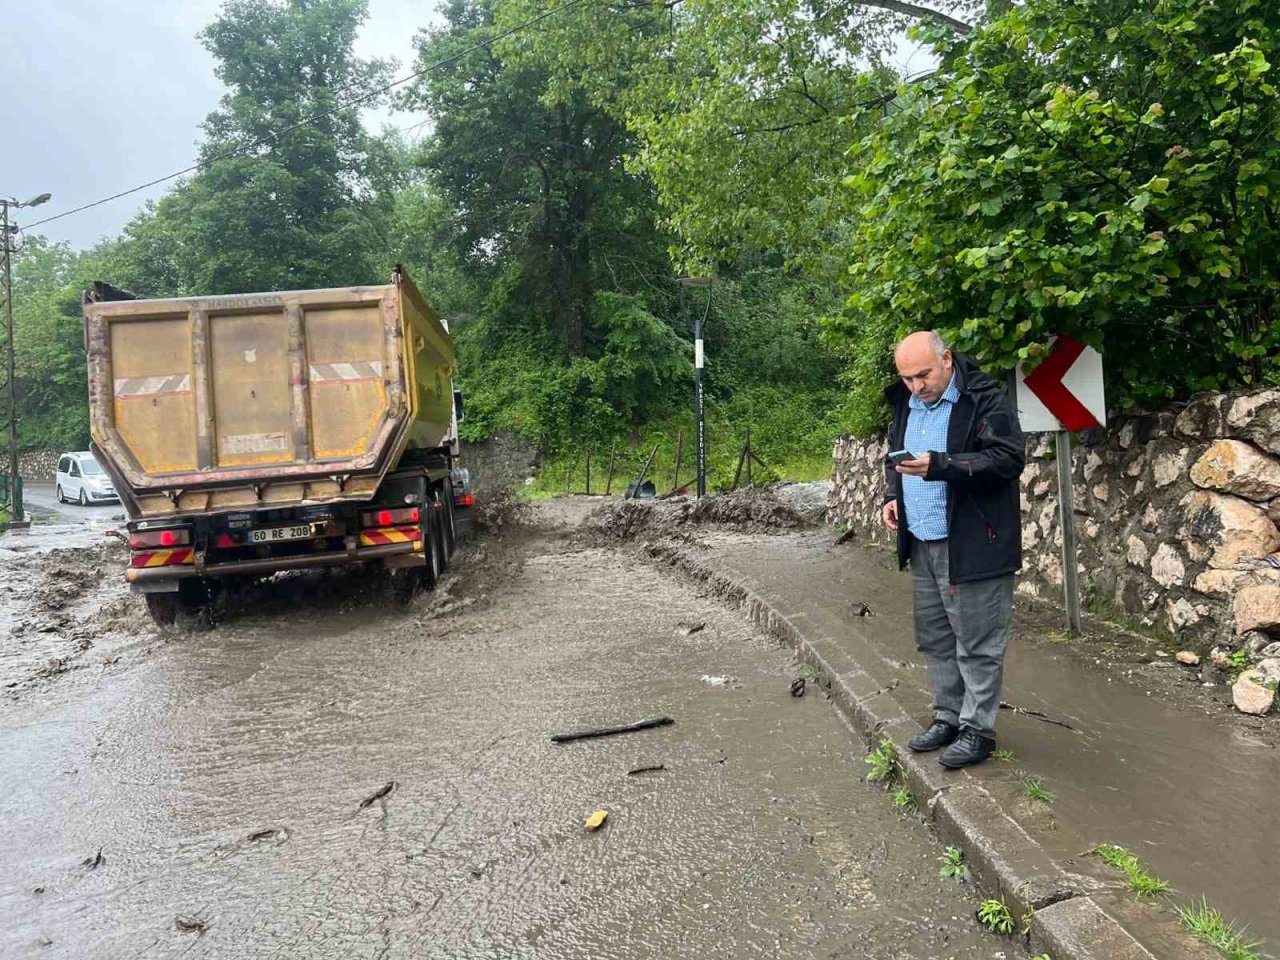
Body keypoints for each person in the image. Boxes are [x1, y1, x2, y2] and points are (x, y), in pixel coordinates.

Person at [881, 331, 1025, 769]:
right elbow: (896, 456)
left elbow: (1007, 458)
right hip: (922, 539)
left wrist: (941, 465)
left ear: (946, 359)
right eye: (907, 378)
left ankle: (978, 730)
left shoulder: (984, 398)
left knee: (978, 642)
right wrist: (893, 495)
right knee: (936, 639)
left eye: (922, 375)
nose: (915, 387)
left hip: (973, 542)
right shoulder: (905, 402)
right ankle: (947, 717)